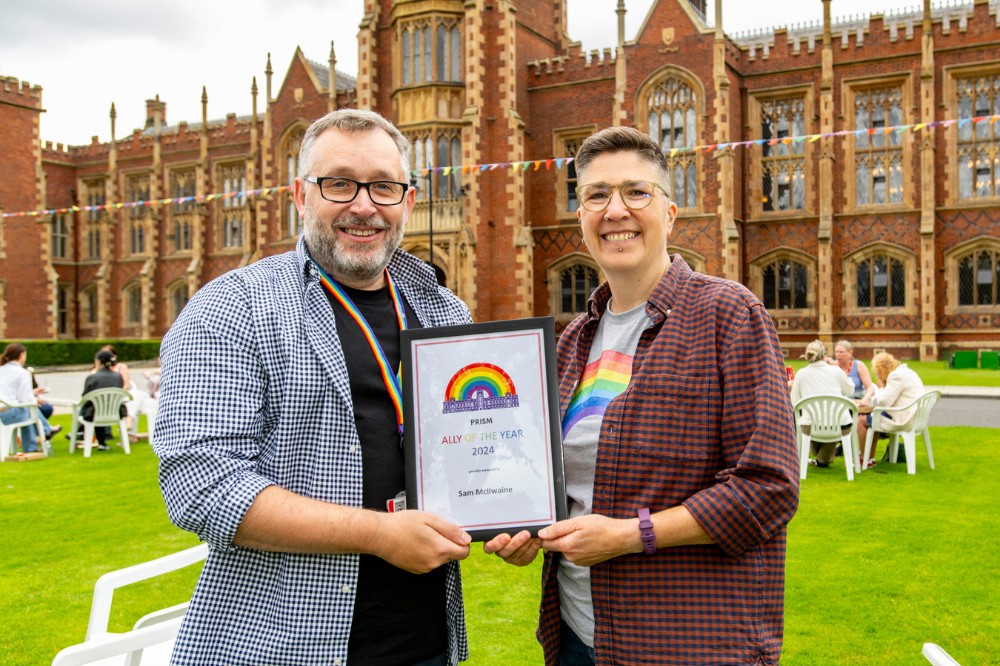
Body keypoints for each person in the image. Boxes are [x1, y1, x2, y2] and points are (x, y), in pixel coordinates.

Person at [154, 109, 473, 666]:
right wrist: (378, 534)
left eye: (383, 187)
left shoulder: (444, 311)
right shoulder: (232, 307)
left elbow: (474, 453)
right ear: (301, 195)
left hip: (423, 641)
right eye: (340, 183)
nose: (364, 205)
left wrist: (510, 523)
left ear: (408, 202)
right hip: (281, 644)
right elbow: (200, 486)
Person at [484, 126, 799, 664]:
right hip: (579, 637)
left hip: (687, 643)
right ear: (580, 218)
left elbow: (768, 488)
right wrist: (525, 527)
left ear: (670, 214)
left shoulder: (729, 315)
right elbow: (567, 489)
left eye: (636, 192)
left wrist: (632, 536)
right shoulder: (571, 343)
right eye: (596, 195)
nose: (615, 210)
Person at [789, 340, 856, 467]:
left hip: (810, 425)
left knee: (812, 426)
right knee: (835, 424)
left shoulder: (801, 374)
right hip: (839, 424)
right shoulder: (836, 371)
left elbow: (795, 402)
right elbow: (849, 391)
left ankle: (822, 460)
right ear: (824, 356)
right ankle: (822, 460)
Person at [857, 351, 926, 466]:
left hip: (904, 419)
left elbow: (884, 402)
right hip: (915, 417)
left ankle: (865, 458)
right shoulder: (908, 372)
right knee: (873, 417)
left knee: (862, 420)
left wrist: (882, 387)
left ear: (881, 371)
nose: (877, 377)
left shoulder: (896, 376)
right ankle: (869, 458)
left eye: (877, 374)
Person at [0, 343, 47, 453]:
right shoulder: (22, 373)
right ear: (22, 355)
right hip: (9, 414)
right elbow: (26, 400)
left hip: (3, 410)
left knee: (27, 410)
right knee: (30, 409)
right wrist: (36, 400)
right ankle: (45, 430)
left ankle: (41, 435)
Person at [81, 349, 126, 451]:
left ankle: (83, 434)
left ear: (98, 361)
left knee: (92, 407)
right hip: (116, 412)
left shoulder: (92, 377)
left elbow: (85, 396)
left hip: (94, 414)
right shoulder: (118, 376)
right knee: (98, 406)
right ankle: (102, 443)